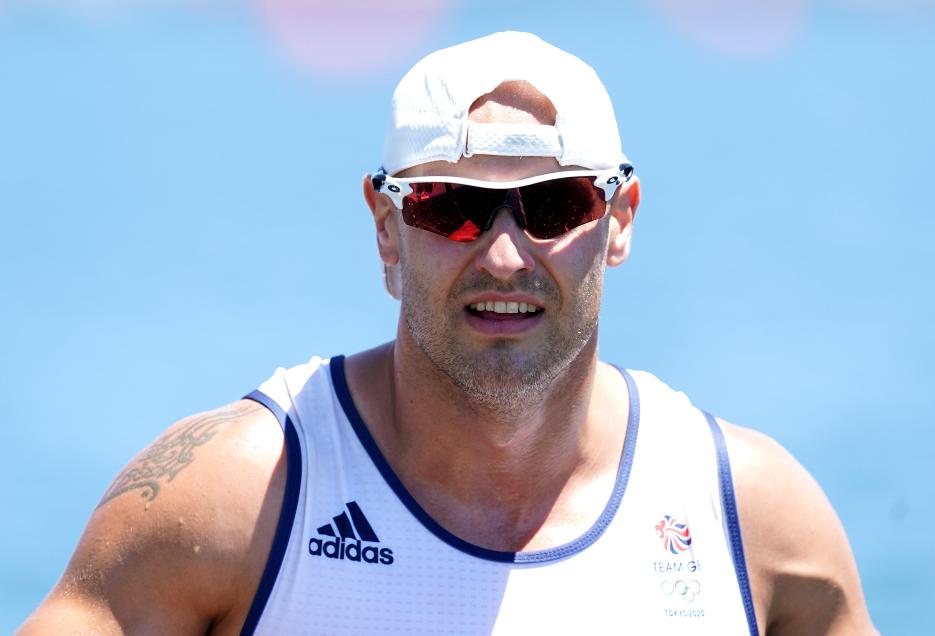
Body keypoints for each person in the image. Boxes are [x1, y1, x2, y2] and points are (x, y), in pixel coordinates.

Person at [19, 32, 877, 635]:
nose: (505, 256)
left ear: (619, 220)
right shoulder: (232, 502)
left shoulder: (756, 525)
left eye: (554, 205)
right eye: (451, 207)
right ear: (386, 228)